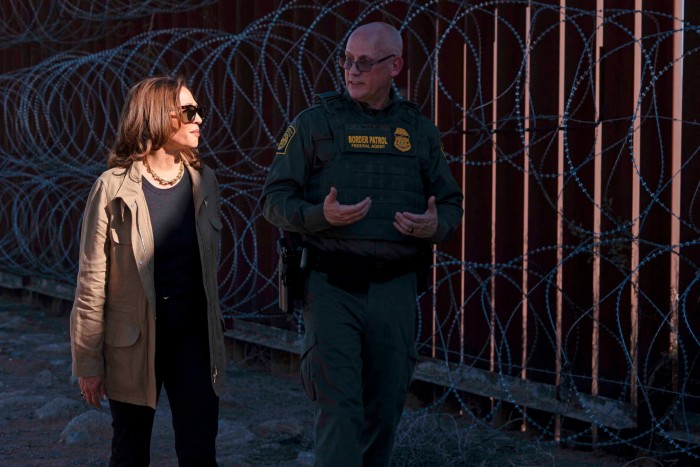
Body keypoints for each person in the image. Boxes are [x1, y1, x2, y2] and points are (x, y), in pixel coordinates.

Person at [262, 22, 464, 467]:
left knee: (384, 409)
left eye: (365, 63)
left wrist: (434, 224)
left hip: (394, 290)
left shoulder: (418, 131)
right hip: (331, 286)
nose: (352, 72)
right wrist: (320, 217)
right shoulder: (314, 125)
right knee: (339, 406)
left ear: (395, 66)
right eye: (347, 61)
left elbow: (451, 204)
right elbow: (273, 201)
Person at [70, 76, 226, 466]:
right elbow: (92, 280)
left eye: (199, 111)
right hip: (133, 342)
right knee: (130, 450)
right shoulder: (112, 188)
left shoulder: (205, 182)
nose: (199, 120)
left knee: (199, 450)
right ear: (159, 117)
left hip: (194, 337)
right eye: (189, 112)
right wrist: (88, 363)